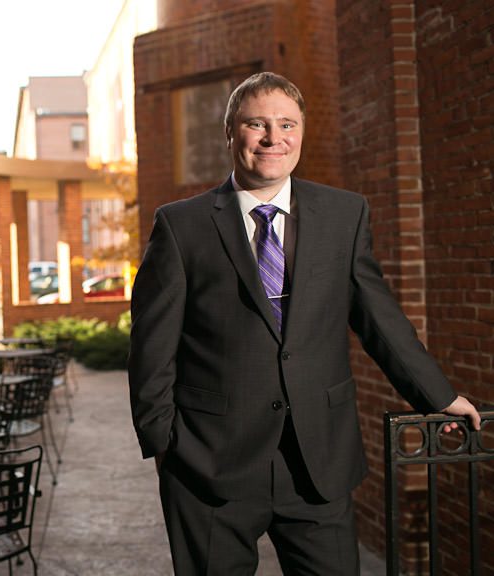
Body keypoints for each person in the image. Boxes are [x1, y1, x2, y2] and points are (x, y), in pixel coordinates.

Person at [127, 72, 480, 575]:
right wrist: (165, 443)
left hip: (319, 462)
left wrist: (436, 394)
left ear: (301, 132)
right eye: (257, 124)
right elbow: (151, 346)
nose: (273, 138)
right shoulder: (181, 225)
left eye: (287, 124)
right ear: (230, 133)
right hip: (210, 464)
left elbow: (378, 317)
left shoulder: (344, 214)